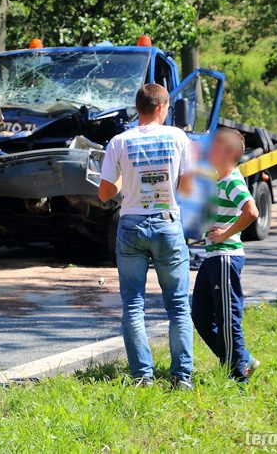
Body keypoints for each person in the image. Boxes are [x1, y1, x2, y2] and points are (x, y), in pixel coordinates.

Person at [99, 83, 195, 390]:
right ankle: (182, 377)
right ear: (162, 108)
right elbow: (188, 188)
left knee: (133, 305)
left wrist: (126, 180)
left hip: (130, 226)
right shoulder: (178, 137)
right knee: (178, 306)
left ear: (137, 108)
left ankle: (142, 377)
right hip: (168, 224)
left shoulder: (119, 141)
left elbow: (105, 193)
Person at [191, 129, 260, 382]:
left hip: (225, 256)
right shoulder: (217, 179)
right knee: (199, 315)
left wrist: (226, 233)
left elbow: (251, 212)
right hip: (212, 257)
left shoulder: (233, 180)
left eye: (215, 146)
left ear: (229, 154)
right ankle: (244, 360)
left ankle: (238, 378)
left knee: (227, 319)